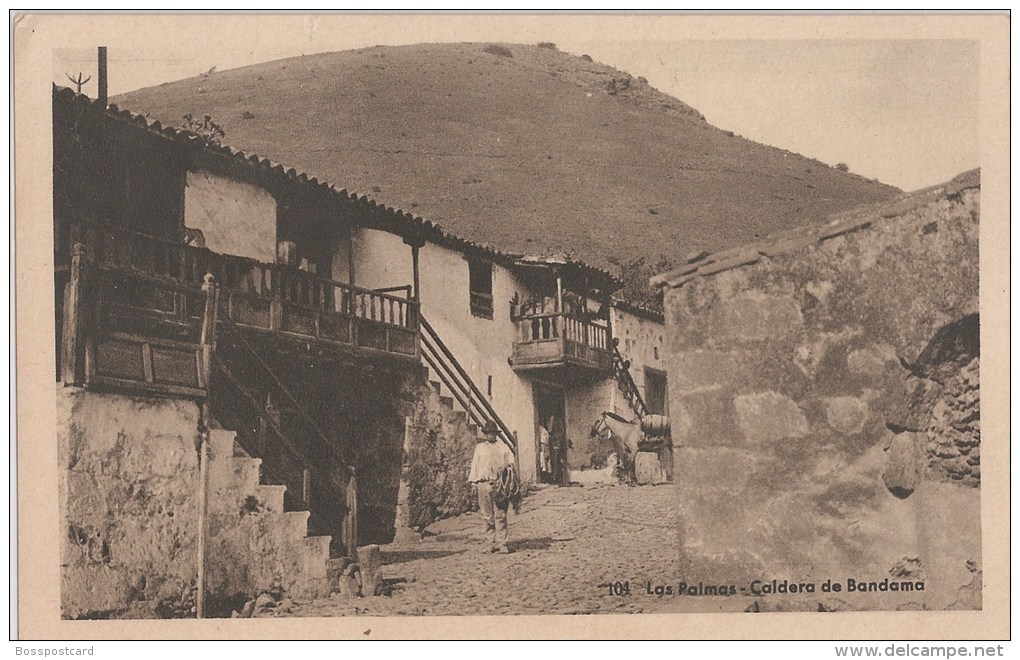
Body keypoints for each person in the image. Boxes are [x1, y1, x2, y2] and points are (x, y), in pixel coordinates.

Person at [468, 421, 516, 554]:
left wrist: (508, 472)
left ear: (496, 434)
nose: (491, 435)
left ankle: (502, 543)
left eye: (493, 433)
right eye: (488, 433)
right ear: (485, 434)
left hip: (498, 484)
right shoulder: (480, 448)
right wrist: (473, 482)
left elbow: (511, 463)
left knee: (501, 514)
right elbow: (475, 465)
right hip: (483, 483)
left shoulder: (503, 447)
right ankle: (490, 542)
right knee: (487, 515)